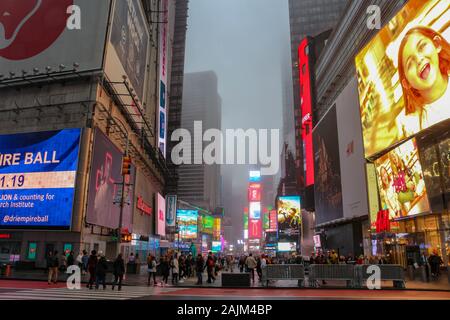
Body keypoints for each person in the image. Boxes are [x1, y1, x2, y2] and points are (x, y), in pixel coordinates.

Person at [396, 26, 450, 137]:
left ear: (436, 44)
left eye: (422, 46)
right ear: (407, 83)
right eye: (410, 63)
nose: (419, 59)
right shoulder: (412, 126)